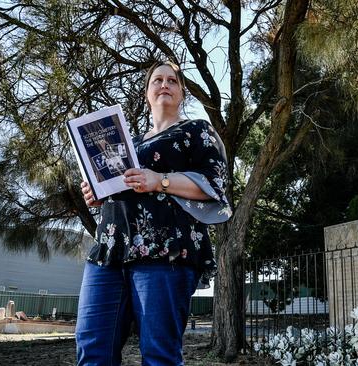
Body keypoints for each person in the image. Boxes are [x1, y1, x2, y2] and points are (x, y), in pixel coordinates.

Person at [76, 61, 232, 366]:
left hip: (166, 252)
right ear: (147, 93)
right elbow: (119, 188)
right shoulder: (128, 143)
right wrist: (97, 193)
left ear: (182, 93)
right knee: (92, 350)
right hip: (109, 252)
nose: (164, 85)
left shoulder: (196, 130)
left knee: (159, 356)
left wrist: (158, 180)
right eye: (156, 80)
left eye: (172, 81)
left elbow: (215, 184)